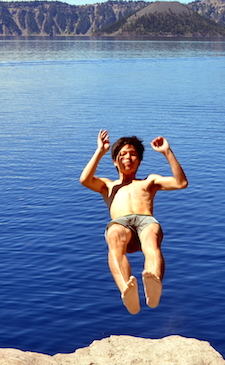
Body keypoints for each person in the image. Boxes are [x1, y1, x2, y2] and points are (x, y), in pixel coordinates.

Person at [79, 129, 188, 314]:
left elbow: (180, 183)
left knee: (151, 238)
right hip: (121, 224)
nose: (127, 157)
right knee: (114, 236)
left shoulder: (149, 182)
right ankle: (127, 291)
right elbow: (85, 179)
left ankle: (153, 285)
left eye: (133, 154)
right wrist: (100, 151)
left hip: (146, 221)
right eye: (122, 154)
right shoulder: (108, 186)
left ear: (139, 160)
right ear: (115, 161)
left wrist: (167, 152)